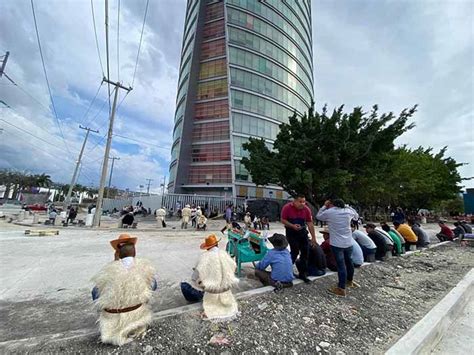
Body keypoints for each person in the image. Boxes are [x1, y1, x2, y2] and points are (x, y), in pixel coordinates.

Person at [91, 234, 157, 346]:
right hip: (137, 313)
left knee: (96, 291)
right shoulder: (145, 268)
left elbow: (97, 293)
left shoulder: (108, 271)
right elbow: (153, 285)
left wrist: (115, 262)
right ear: (134, 252)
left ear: (118, 253)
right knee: (151, 284)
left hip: (113, 319)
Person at [181, 235, 239, 320]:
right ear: (216, 245)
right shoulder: (224, 254)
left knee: (183, 285)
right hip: (225, 292)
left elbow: (194, 278)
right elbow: (234, 266)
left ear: (207, 248)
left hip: (211, 293)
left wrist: (202, 280)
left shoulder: (204, 257)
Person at [317, 199, 359, 296]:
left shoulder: (330, 212)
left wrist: (324, 205)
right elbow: (356, 216)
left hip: (336, 243)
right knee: (349, 262)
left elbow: (318, 216)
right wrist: (348, 206)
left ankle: (341, 288)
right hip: (348, 242)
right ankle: (349, 281)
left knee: (341, 265)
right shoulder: (348, 211)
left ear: (332, 204)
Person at [281, 194, 317, 283]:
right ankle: (286, 271)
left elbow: (309, 223)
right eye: (300, 201)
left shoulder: (306, 209)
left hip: (302, 231)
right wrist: (292, 226)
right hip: (291, 232)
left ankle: (303, 273)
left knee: (305, 252)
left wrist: (313, 237)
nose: (302, 204)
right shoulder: (287, 207)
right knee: (294, 251)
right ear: (294, 201)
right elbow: (283, 220)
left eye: (304, 202)